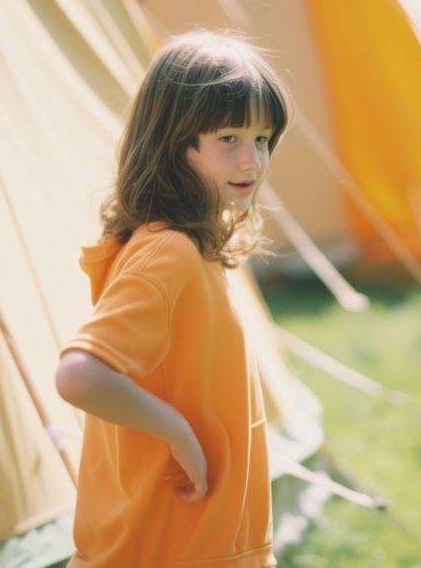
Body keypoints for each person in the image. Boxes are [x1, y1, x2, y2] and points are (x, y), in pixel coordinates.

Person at [55, 30, 289, 567]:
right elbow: (79, 374)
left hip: (199, 541)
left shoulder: (192, 245)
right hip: (176, 545)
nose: (252, 160)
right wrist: (178, 434)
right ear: (175, 144)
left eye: (263, 138)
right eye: (228, 138)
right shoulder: (171, 253)